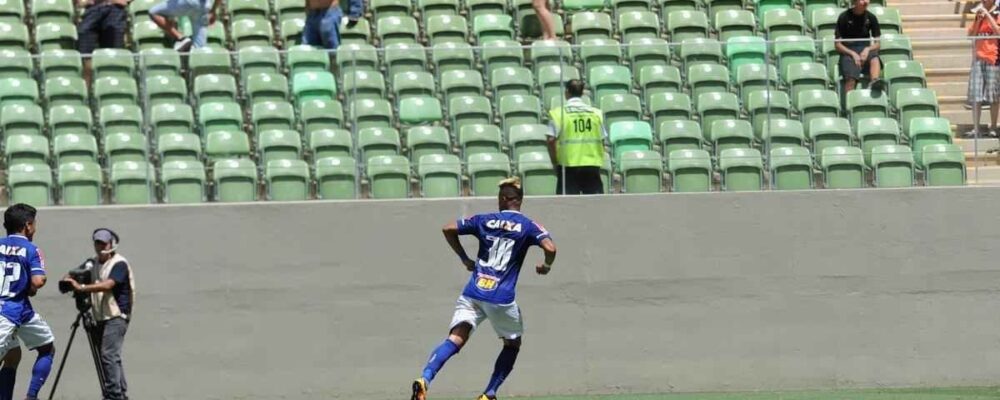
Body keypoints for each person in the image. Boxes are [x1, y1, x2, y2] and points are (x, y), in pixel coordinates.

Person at [411, 178, 557, 400]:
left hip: (473, 292)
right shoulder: (528, 225)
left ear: (504, 199)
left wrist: (464, 258)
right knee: (512, 343)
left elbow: (448, 228)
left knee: (456, 338)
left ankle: (425, 379)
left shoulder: (485, 220)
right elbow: (551, 248)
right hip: (501, 298)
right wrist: (546, 266)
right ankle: (489, 394)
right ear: (520, 201)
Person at [62, 229, 135, 400]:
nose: (100, 246)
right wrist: (69, 278)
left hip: (117, 316)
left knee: (108, 355)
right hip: (100, 316)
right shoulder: (92, 263)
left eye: (104, 243)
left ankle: (113, 395)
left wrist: (81, 288)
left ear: (112, 243)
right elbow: (72, 274)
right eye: (98, 242)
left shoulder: (119, 263)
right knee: (111, 356)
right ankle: (120, 393)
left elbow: (108, 285)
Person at [0, 204, 56, 400]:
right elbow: (37, 281)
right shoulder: (31, 249)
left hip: (22, 312)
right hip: (10, 313)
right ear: (28, 225)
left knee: (13, 355)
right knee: (47, 350)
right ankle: (31, 396)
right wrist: (38, 282)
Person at [546, 79, 606, 195]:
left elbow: (551, 140)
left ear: (567, 92)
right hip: (591, 164)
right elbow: (602, 139)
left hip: (568, 165)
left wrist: (555, 161)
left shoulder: (558, 114)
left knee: (567, 206)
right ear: (582, 93)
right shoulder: (595, 113)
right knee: (596, 205)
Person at [966, 0, 1000, 138]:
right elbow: (971, 36)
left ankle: (993, 127)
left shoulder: (997, 14)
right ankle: (976, 128)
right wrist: (979, 20)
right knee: (976, 94)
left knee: (993, 96)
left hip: (993, 59)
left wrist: (988, 15)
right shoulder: (978, 16)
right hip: (978, 59)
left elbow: (998, 32)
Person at [834, 0, 883, 94]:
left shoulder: (871, 17)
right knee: (850, 80)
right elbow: (837, 45)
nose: (865, 2)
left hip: (865, 48)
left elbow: (878, 44)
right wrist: (852, 54)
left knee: (874, 58)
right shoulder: (844, 17)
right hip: (848, 50)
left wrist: (868, 49)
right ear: (855, 1)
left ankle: (875, 82)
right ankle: (850, 104)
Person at [76, 0, 129, 85]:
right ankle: (86, 94)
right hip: (91, 9)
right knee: (86, 55)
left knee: (114, 56)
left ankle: (112, 89)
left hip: (114, 8)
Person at [149, 0, 222, 52]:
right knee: (199, 49)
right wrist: (213, 11)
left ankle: (180, 38)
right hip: (203, 7)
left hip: (187, 2)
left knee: (153, 12)